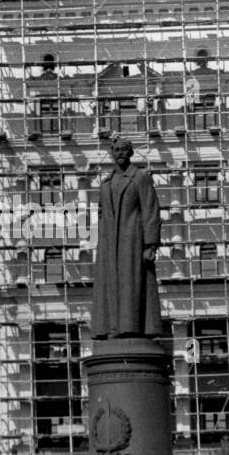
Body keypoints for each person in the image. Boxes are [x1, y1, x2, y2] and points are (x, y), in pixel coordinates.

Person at [91, 137, 164, 339]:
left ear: (131, 153)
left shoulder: (140, 177)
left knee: (132, 284)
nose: (121, 152)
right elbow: (100, 212)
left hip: (132, 239)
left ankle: (130, 328)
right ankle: (112, 327)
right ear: (112, 153)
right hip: (109, 243)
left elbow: (151, 210)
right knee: (110, 285)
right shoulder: (105, 183)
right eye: (117, 149)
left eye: (125, 149)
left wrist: (151, 244)